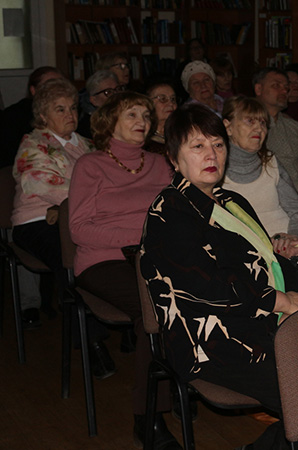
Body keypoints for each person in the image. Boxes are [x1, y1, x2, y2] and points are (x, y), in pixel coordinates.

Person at [140, 103, 298, 450]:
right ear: (174, 158)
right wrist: (282, 300)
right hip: (213, 341)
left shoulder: (231, 200)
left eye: (217, 144)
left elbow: (257, 265)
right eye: (197, 146)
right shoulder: (168, 212)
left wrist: (289, 264)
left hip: (262, 322)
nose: (211, 154)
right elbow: (206, 287)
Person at [69, 90, 176, 448]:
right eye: (132, 115)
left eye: (146, 115)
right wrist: (142, 234)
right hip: (104, 259)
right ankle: (149, 417)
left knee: (201, 299)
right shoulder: (90, 165)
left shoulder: (160, 163)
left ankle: (182, 383)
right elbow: (79, 229)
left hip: (156, 257)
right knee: (156, 312)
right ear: (110, 120)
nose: (142, 122)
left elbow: (174, 215)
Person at [11, 78, 95, 334]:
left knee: (111, 251)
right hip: (35, 222)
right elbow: (47, 186)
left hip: (73, 217)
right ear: (43, 115)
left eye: (72, 107)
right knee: (72, 255)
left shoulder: (86, 143)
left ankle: (127, 332)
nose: (70, 114)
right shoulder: (33, 144)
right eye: (60, 109)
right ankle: (88, 338)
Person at [221, 96, 298, 262]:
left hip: (288, 248)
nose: (259, 128)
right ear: (227, 127)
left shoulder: (271, 162)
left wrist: (292, 238)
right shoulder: (214, 172)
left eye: (263, 123)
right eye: (250, 121)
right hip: (247, 256)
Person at [254, 67, 298, 210]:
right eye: (276, 86)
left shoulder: (293, 126)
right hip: (275, 197)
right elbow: (261, 166)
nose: (284, 91)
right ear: (259, 89)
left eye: (286, 88)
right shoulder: (250, 125)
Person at [0, 66, 64, 168]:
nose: (57, 90)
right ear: (33, 90)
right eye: (50, 85)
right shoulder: (15, 116)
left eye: (61, 85)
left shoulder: (70, 112)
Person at [76, 70, 123, 139]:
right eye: (108, 92)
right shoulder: (88, 127)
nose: (115, 95)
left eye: (118, 89)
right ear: (94, 100)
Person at [144, 80, 177, 156]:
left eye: (173, 99)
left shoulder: (182, 134)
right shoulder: (143, 142)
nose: (171, 104)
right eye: (163, 99)